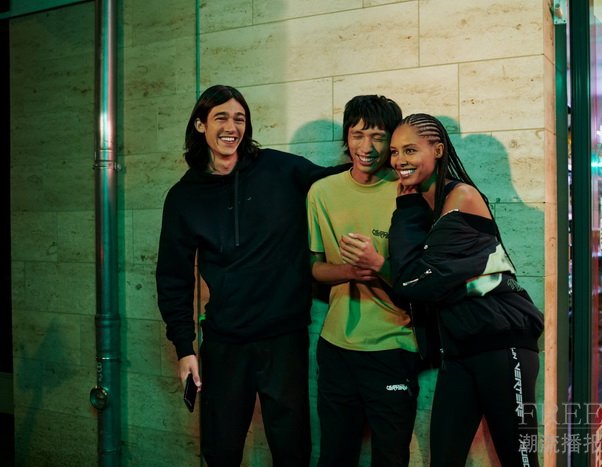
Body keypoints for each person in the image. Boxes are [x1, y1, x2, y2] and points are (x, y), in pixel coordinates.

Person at [156, 84, 348, 467]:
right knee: (221, 451)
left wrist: (382, 157)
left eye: (239, 118)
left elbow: (334, 182)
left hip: (284, 338)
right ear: (200, 125)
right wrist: (184, 348)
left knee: (292, 451)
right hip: (225, 341)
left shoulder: (279, 169)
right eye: (221, 118)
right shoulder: (183, 197)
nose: (232, 127)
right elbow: (173, 277)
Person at [386, 113, 544, 467]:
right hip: (459, 349)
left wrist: (406, 206)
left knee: (519, 460)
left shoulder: (461, 197)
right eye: (394, 152)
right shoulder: (427, 203)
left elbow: (413, 280)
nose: (399, 160)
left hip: (501, 343)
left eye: (410, 150)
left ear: (438, 150)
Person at [306, 95, 420, 467]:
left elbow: (425, 278)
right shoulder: (322, 192)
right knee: (335, 456)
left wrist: (379, 265)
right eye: (358, 135)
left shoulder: (409, 192)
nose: (366, 147)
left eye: (378, 137)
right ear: (347, 137)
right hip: (335, 346)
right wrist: (351, 271)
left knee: (391, 457)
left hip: (393, 345)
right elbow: (315, 268)